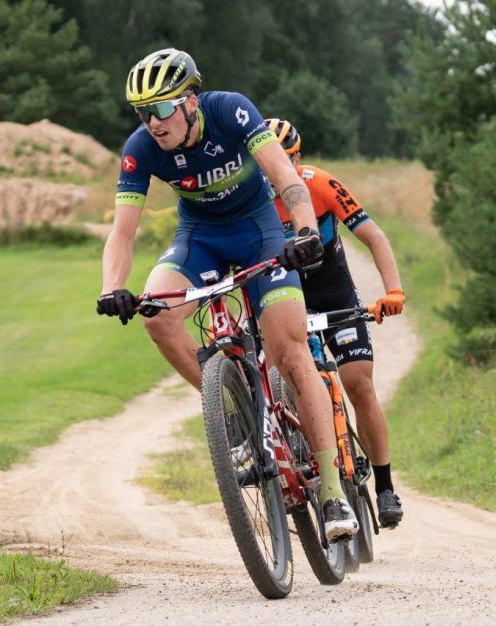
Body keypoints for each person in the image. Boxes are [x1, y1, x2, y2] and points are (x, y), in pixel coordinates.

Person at [96, 48, 358, 540]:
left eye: (161, 108)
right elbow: (123, 232)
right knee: (157, 315)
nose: (152, 122)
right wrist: (113, 288)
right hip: (199, 240)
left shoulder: (230, 109)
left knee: (290, 350)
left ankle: (331, 491)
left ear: (191, 101)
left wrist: (303, 233)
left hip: (262, 232)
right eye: (142, 112)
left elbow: (286, 180)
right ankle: (233, 414)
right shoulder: (140, 148)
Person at [264, 117, 406, 528]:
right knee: (294, 381)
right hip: (290, 304)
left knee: (359, 384)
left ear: (298, 159)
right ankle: (312, 466)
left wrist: (392, 290)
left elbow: (374, 236)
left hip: (335, 295)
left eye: (285, 162)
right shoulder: (252, 200)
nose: (275, 175)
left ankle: (384, 486)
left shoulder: (320, 184)